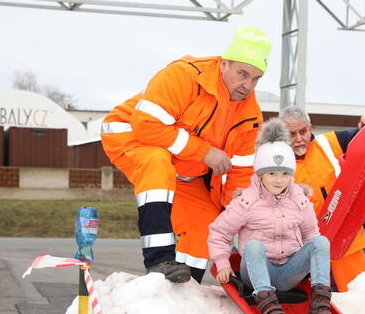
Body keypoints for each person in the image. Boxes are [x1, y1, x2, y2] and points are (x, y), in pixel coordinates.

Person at [101, 26, 272, 283]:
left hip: (184, 167)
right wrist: (205, 152)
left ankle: (184, 284)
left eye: (256, 78)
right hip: (131, 135)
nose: (247, 85)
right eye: (243, 73)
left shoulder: (250, 115)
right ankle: (159, 260)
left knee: (206, 219)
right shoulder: (185, 75)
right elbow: (146, 124)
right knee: (157, 163)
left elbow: (240, 173)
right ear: (224, 64)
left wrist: (236, 217)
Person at [207, 118, 339, 314]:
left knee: (320, 241)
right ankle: (270, 309)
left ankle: (319, 308)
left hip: (288, 273)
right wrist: (222, 262)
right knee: (254, 245)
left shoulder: (299, 199)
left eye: (285, 173)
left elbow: (310, 233)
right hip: (256, 271)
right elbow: (219, 232)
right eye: (272, 173)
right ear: (260, 174)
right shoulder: (247, 201)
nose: (279, 180)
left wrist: (310, 265)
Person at [278, 106, 365, 292]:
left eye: (303, 131)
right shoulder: (276, 162)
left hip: (345, 241)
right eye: (291, 134)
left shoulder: (330, 143)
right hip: (304, 250)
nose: (299, 138)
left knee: (360, 298)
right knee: (315, 303)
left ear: (311, 127)